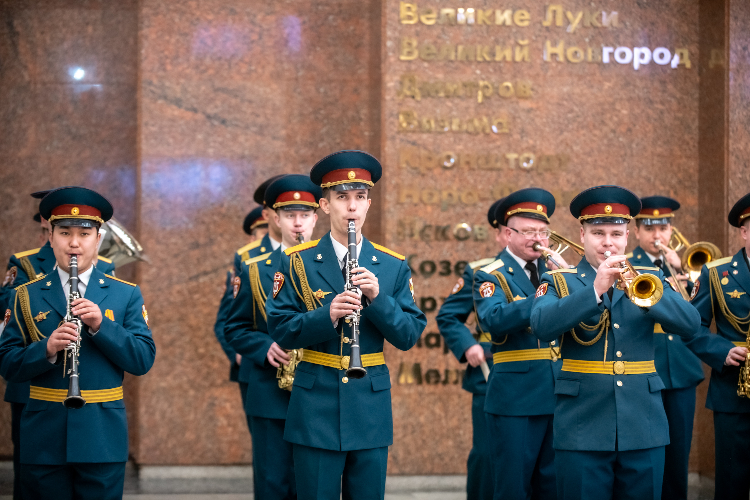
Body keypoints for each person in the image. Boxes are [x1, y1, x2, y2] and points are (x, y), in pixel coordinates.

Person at [266, 150, 426, 500]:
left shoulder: (392, 265)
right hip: (315, 408)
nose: (351, 206)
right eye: (341, 197)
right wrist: (327, 315)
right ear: (325, 205)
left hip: (369, 407)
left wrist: (378, 299)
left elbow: (408, 335)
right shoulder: (295, 261)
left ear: (368, 204)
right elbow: (279, 327)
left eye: (359, 197)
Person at [530, 185, 700, 500]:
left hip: (644, 426)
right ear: (582, 235)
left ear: (627, 237)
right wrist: (593, 291)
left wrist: (647, 295)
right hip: (582, 428)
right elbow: (541, 326)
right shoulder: (558, 280)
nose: (608, 242)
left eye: (616, 234)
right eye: (598, 233)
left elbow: (691, 324)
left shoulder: (651, 277)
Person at [0, 186, 155, 499]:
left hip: (102, 435)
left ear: (98, 239)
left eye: (84, 234)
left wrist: (102, 326)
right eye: (64, 233)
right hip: (44, 436)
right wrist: (46, 349)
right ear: (50, 236)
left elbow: (142, 360)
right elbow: (7, 364)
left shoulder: (125, 293)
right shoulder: (25, 295)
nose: (74, 243)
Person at [225, 175, 321, 500]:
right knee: (272, 483)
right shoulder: (253, 268)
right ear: (275, 219)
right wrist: (264, 346)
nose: (298, 223)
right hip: (270, 390)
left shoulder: (334, 266)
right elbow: (234, 327)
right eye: (290, 215)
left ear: (316, 218)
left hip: (320, 390)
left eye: (305, 215)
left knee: (314, 485)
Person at [472, 188, 568, 500]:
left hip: (560, 393)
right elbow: (494, 319)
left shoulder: (559, 273)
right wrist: (546, 290)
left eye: (542, 232)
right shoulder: (490, 275)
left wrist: (572, 282)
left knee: (553, 488)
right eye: (528, 231)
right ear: (508, 234)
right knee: (513, 488)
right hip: (516, 398)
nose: (537, 239)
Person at [629, 196, 704, 500]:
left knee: (678, 455)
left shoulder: (682, 266)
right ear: (637, 231)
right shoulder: (628, 265)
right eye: (649, 229)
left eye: (663, 228)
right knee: (646, 454)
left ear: (672, 230)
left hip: (682, 370)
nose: (657, 235)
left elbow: (697, 317)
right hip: (646, 369)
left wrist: (682, 272)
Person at [435, 198, 507, 500]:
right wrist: (468, 346)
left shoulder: (555, 272)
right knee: (488, 454)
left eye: (539, 231)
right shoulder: (480, 272)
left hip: (546, 376)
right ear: (501, 234)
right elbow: (448, 316)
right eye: (517, 230)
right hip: (493, 374)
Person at [684, 192, 750, 500]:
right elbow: (691, 327)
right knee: (732, 482)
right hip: (733, 393)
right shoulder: (716, 272)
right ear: (744, 231)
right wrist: (721, 351)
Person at [213, 206, 268, 398]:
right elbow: (224, 322)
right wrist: (237, 355)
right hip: (253, 369)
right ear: (252, 240)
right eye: (264, 234)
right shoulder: (241, 272)